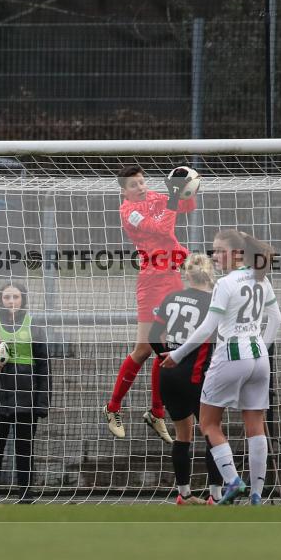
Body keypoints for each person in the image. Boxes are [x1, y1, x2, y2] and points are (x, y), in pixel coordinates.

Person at [161, 230, 281, 506]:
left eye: (219, 251)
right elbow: (276, 318)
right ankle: (256, 496)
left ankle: (233, 481)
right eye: (213, 250)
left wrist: (178, 354)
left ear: (237, 253)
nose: (215, 256)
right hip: (259, 357)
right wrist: (262, 345)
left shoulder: (226, 284)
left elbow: (208, 327)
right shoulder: (261, 278)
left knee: (208, 423)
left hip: (231, 355)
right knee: (255, 425)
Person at [103, 165, 198, 443]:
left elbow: (187, 206)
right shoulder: (128, 212)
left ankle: (156, 412)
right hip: (152, 280)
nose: (141, 187)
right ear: (124, 191)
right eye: (134, 185)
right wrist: (173, 198)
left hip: (173, 276)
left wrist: (187, 187)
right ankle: (113, 407)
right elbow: (161, 228)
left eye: (142, 182)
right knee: (144, 348)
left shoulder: (156, 197)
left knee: (166, 349)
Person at [148, 253, 224, 505]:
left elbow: (153, 335)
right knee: (212, 432)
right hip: (196, 376)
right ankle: (215, 495)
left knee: (183, 435)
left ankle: (184, 493)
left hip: (169, 375)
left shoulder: (171, 298)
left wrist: (166, 356)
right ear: (209, 274)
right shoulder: (212, 302)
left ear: (188, 274)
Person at [0, 282, 50, 504]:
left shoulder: (34, 327)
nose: (11, 301)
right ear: (0, 300)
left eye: (15, 297)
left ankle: (25, 493)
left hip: (25, 399)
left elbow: (44, 368)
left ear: (23, 299)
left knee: (24, 448)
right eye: (7, 297)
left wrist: (42, 403)